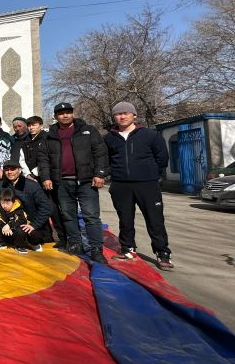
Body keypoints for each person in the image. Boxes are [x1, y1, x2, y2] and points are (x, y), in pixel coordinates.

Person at [104, 101, 173, 270]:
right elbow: (105, 160)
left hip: (147, 184)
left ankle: (162, 253)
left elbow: (162, 158)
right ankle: (128, 248)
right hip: (121, 185)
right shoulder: (108, 138)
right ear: (114, 117)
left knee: (155, 220)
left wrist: (152, 174)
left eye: (126, 113)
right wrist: (113, 174)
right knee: (125, 219)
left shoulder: (150, 135)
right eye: (118, 114)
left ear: (134, 115)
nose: (122, 116)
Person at [46, 103, 109, 264]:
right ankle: (75, 244)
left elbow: (100, 152)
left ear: (73, 114)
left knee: (91, 216)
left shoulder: (87, 130)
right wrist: (46, 177)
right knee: (68, 215)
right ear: (56, 116)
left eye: (68, 112)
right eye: (61, 113)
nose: (65, 115)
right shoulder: (51, 135)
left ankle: (96, 249)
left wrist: (100, 174)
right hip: (62, 182)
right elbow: (44, 158)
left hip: (86, 182)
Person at [0, 161, 51, 245]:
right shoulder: (1, 184)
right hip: (9, 221)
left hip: (29, 222)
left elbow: (46, 207)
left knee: (33, 236)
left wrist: (34, 225)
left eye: (12, 169)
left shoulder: (32, 186)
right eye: (6, 169)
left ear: (20, 170)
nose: (9, 172)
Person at [24, 115, 63, 244]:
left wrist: (38, 173)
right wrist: (28, 174)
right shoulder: (27, 140)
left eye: (34, 125)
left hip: (46, 178)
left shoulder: (47, 138)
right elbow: (23, 159)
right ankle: (46, 235)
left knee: (52, 207)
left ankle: (62, 236)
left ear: (40, 125)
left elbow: (48, 159)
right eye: (29, 125)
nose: (31, 128)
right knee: (38, 207)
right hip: (31, 178)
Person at [0, 188, 44, 254]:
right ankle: (2, 242)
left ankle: (22, 246)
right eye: (2, 203)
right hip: (7, 231)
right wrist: (4, 226)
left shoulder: (18, 209)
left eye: (7, 203)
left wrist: (9, 225)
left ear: (13, 202)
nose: (4, 206)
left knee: (23, 231)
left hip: (18, 229)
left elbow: (21, 220)